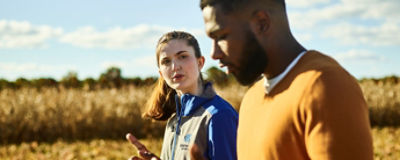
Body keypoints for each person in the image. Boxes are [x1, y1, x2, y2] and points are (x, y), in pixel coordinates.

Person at [193, 0, 374, 159]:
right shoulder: (251, 99)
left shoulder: (326, 85)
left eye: (221, 36)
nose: (214, 54)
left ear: (262, 23)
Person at [126, 31, 238, 160]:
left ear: (200, 62)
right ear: (161, 73)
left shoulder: (219, 116)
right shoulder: (174, 120)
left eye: (183, 56)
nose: (175, 67)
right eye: (166, 61)